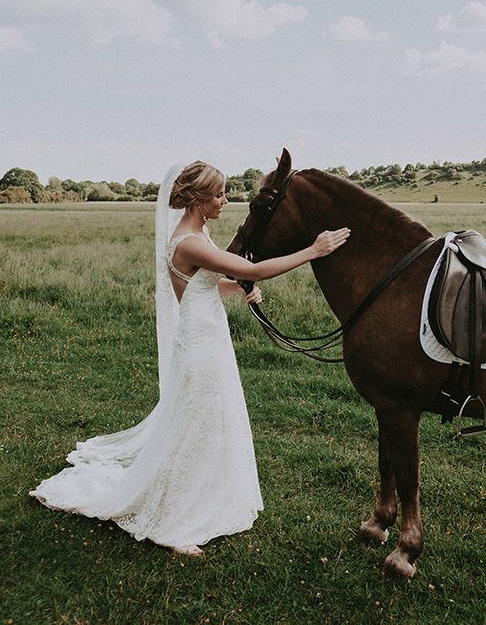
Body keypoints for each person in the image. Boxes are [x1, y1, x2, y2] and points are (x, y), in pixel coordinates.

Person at [29, 161, 350, 557]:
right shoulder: (188, 242)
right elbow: (255, 269)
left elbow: (205, 287)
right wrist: (313, 251)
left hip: (208, 336)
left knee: (210, 420)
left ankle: (206, 498)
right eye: (219, 195)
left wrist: (238, 290)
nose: (225, 200)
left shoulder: (199, 234)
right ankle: (176, 523)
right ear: (198, 200)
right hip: (199, 344)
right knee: (195, 423)